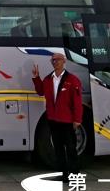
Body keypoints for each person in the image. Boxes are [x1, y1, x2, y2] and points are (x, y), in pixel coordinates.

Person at [32, 53, 82, 181]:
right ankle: (65, 175)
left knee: (71, 149)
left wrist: (77, 119)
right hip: (53, 120)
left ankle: (75, 175)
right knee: (58, 149)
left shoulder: (72, 79)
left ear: (64, 61)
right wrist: (36, 78)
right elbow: (40, 92)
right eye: (53, 60)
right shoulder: (48, 79)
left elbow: (77, 101)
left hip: (67, 120)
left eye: (58, 60)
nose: (55, 62)